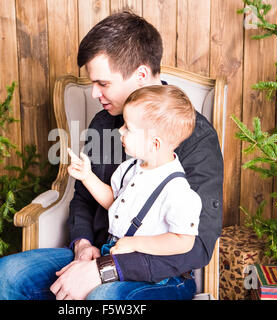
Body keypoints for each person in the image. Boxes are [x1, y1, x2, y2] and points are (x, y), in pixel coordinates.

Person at [0, 11, 223, 300]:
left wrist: (105, 270)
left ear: (141, 75)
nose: (95, 93)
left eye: (103, 83)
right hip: (98, 253)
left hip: (156, 273)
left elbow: (197, 245)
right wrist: (83, 246)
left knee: (104, 297)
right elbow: (84, 199)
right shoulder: (103, 124)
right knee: (6, 276)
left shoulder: (196, 138)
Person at [67, 85, 202, 260]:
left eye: (128, 128)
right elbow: (115, 203)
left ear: (154, 144)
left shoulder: (177, 190)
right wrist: (87, 176)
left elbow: (183, 241)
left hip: (145, 267)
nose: (119, 131)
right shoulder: (129, 168)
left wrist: (135, 243)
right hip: (113, 252)